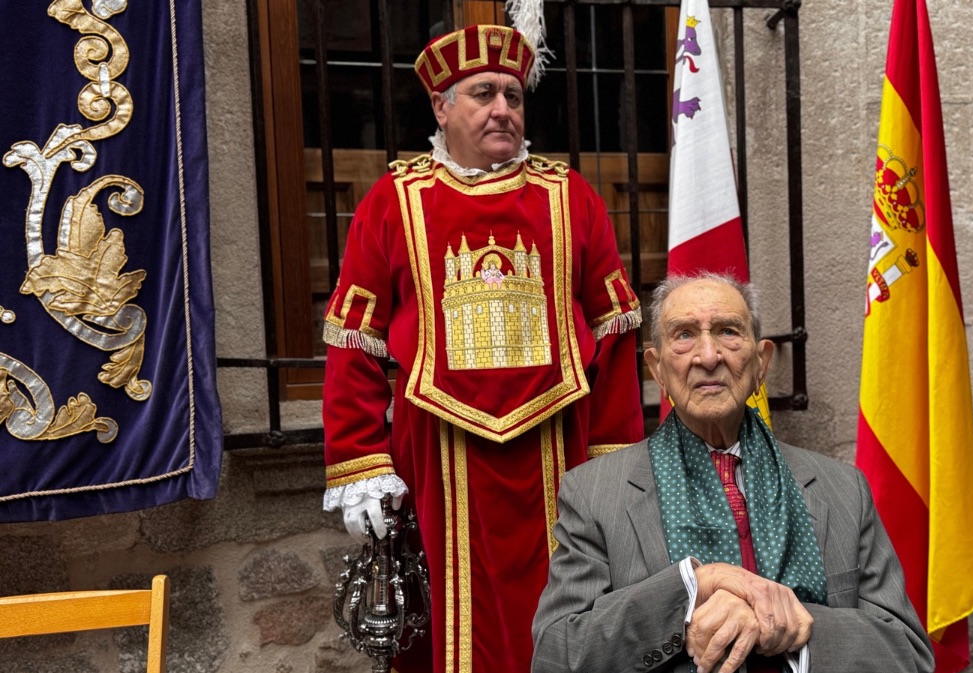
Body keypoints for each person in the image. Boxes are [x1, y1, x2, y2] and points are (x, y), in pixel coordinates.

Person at [321, 24, 644, 673]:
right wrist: (360, 459)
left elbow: (613, 338)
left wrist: (617, 467)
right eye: (483, 93)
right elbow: (356, 342)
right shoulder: (393, 200)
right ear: (441, 106)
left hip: (560, 461)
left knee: (568, 619)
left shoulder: (572, 197)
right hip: (438, 466)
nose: (503, 107)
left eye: (513, 95)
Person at [532, 273, 934, 673]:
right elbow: (556, 653)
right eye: (684, 335)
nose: (708, 356)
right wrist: (690, 589)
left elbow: (909, 655)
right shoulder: (594, 493)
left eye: (728, 332)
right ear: (657, 370)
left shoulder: (843, 490)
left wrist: (792, 627)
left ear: (761, 362)